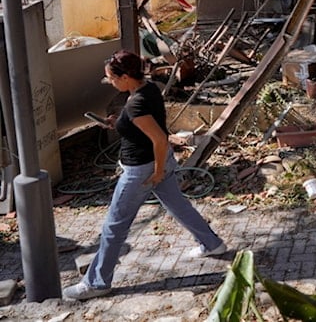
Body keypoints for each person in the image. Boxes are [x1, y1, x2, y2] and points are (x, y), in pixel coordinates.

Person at [64, 50, 226, 301]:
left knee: (113, 227)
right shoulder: (147, 89)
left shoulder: (136, 103)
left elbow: (160, 139)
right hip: (158, 164)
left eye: (112, 78)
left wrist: (158, 172)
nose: (111, 83)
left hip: (143, 170)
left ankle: (97, 282)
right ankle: (213, 244)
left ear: (126, 76)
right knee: (178, 206)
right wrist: (118, 122)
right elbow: (144, 124)